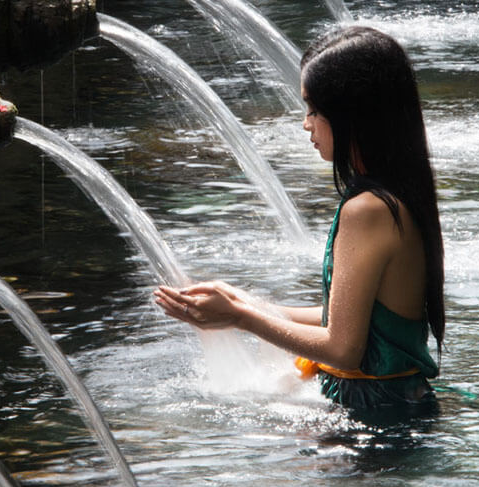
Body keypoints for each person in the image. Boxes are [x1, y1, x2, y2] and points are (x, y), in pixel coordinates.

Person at [154, 26, 445, 410]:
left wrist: (241, 318)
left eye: (313, 110)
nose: (306, 124)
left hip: (374, 417)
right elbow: (356, 323)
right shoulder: (395, 193)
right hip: (395, 404)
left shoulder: (369, 210)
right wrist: (239, 302)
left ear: (351, 115)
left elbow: (342, 350)